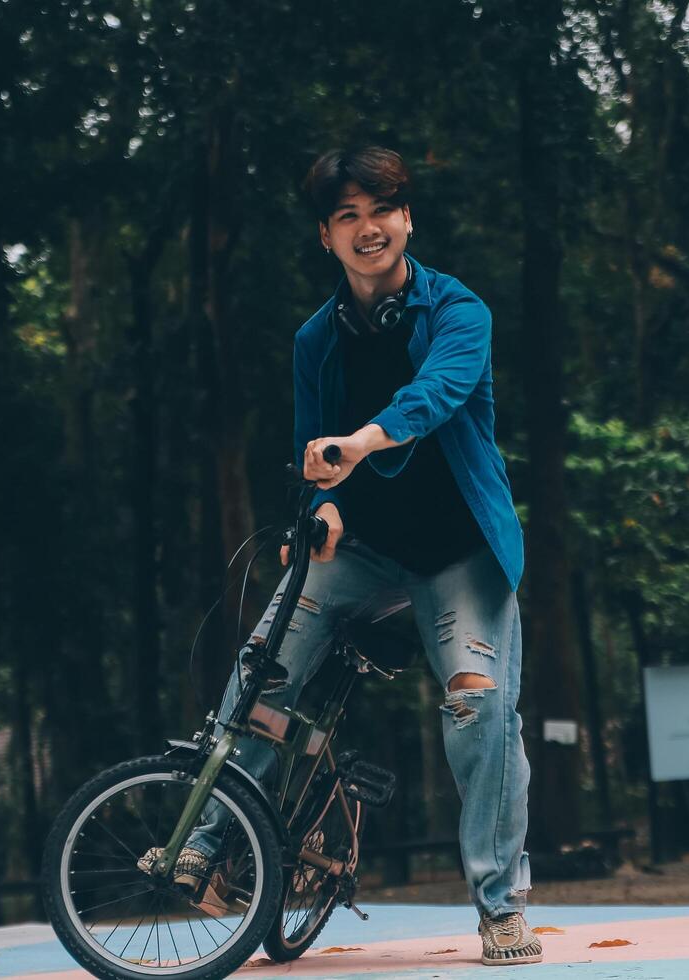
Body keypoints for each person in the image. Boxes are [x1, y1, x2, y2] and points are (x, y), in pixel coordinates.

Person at [148, 146, 539, 966]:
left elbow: (432, 397)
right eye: (347, 217)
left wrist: (356, 445)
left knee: (480, 705)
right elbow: (305, 446)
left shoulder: (459, 311)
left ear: (407, 219)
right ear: (326, 236)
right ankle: (207, 849)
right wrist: (320, 506)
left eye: (381, 211)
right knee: (263, 676)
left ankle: (501, 904)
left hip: (459, 551)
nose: (369, 230)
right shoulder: (314, 340)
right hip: (361, 549)